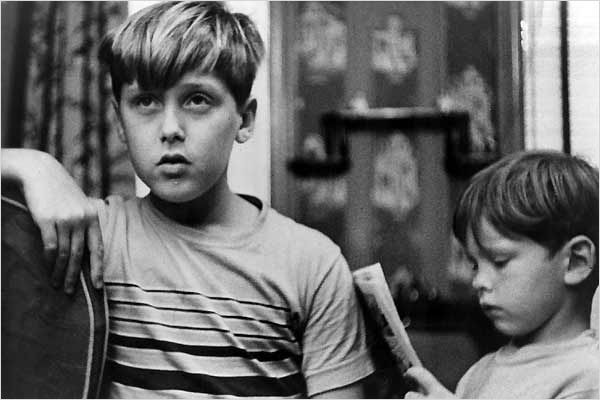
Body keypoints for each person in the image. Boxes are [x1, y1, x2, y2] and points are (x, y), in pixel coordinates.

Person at [1, 2, 376, 397]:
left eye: (197, 99)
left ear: (245, 119)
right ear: (120, 122)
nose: (170, 129)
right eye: (146, 102)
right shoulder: (90, 235)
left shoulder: (312, 264)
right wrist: (33, 165)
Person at [403, 150, 599, 399]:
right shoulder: (479, 372)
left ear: (575, 261)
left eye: (499, 261)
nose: (478, 281)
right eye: (475, 265)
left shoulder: (587, 378)